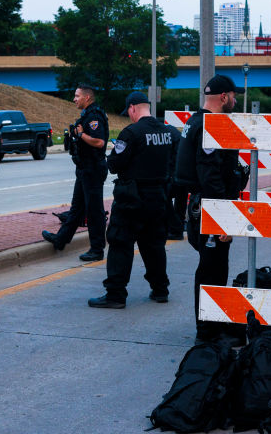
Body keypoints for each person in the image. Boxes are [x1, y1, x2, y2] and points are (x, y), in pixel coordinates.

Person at [175, 74, 248, 341]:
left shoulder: (195, 121)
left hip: (201, 206)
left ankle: (212, 325)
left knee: (214, 267)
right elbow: (210, 177)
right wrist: (224, 219)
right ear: (224, 97)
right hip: (211, 209)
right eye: (234, 96)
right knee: (212, 270)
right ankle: (206, 332)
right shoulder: (211, 125)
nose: (236, 100)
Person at [88, 92, 177, 308]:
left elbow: (114, 164)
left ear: (132, 109)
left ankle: (115, 295)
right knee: (154, 244)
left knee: (120, 243)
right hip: (159, 197)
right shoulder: (169, 132)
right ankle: (160, 289)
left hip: (132, 198)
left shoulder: (131, 132)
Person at [42, 85, 108, 260]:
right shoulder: (87, 115)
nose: (74, 99)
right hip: (84, 168)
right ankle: (60, 240)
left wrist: (81, 135)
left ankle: (97, 249)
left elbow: (99, 141)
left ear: (87, 98)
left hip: (93, 168)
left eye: (77, 96)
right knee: (77, 208)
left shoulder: (94, 117)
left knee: (94, 211)